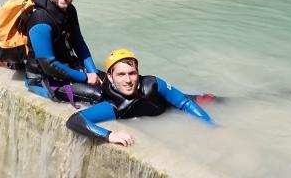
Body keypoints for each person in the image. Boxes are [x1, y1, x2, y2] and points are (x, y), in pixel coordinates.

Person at [66, 48, 217, 146]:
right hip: (159, 110)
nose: (128, 80)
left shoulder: (153, 84)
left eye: (132, 73)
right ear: (110, 78)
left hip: (171, 105)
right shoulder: (114, 106)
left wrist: (211, 125)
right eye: (121, 74)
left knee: (215, 101)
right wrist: (109, 135)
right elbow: (75, 120)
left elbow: (184, 103)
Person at [24, 0, 103, 105]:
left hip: (67, 69)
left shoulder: (70, 10)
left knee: (113, 83)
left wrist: (93, 72)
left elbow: (79, 43)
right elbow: (48, 64)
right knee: (99, 95)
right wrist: (85, 78)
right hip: (42, 78)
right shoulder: (41, 19)